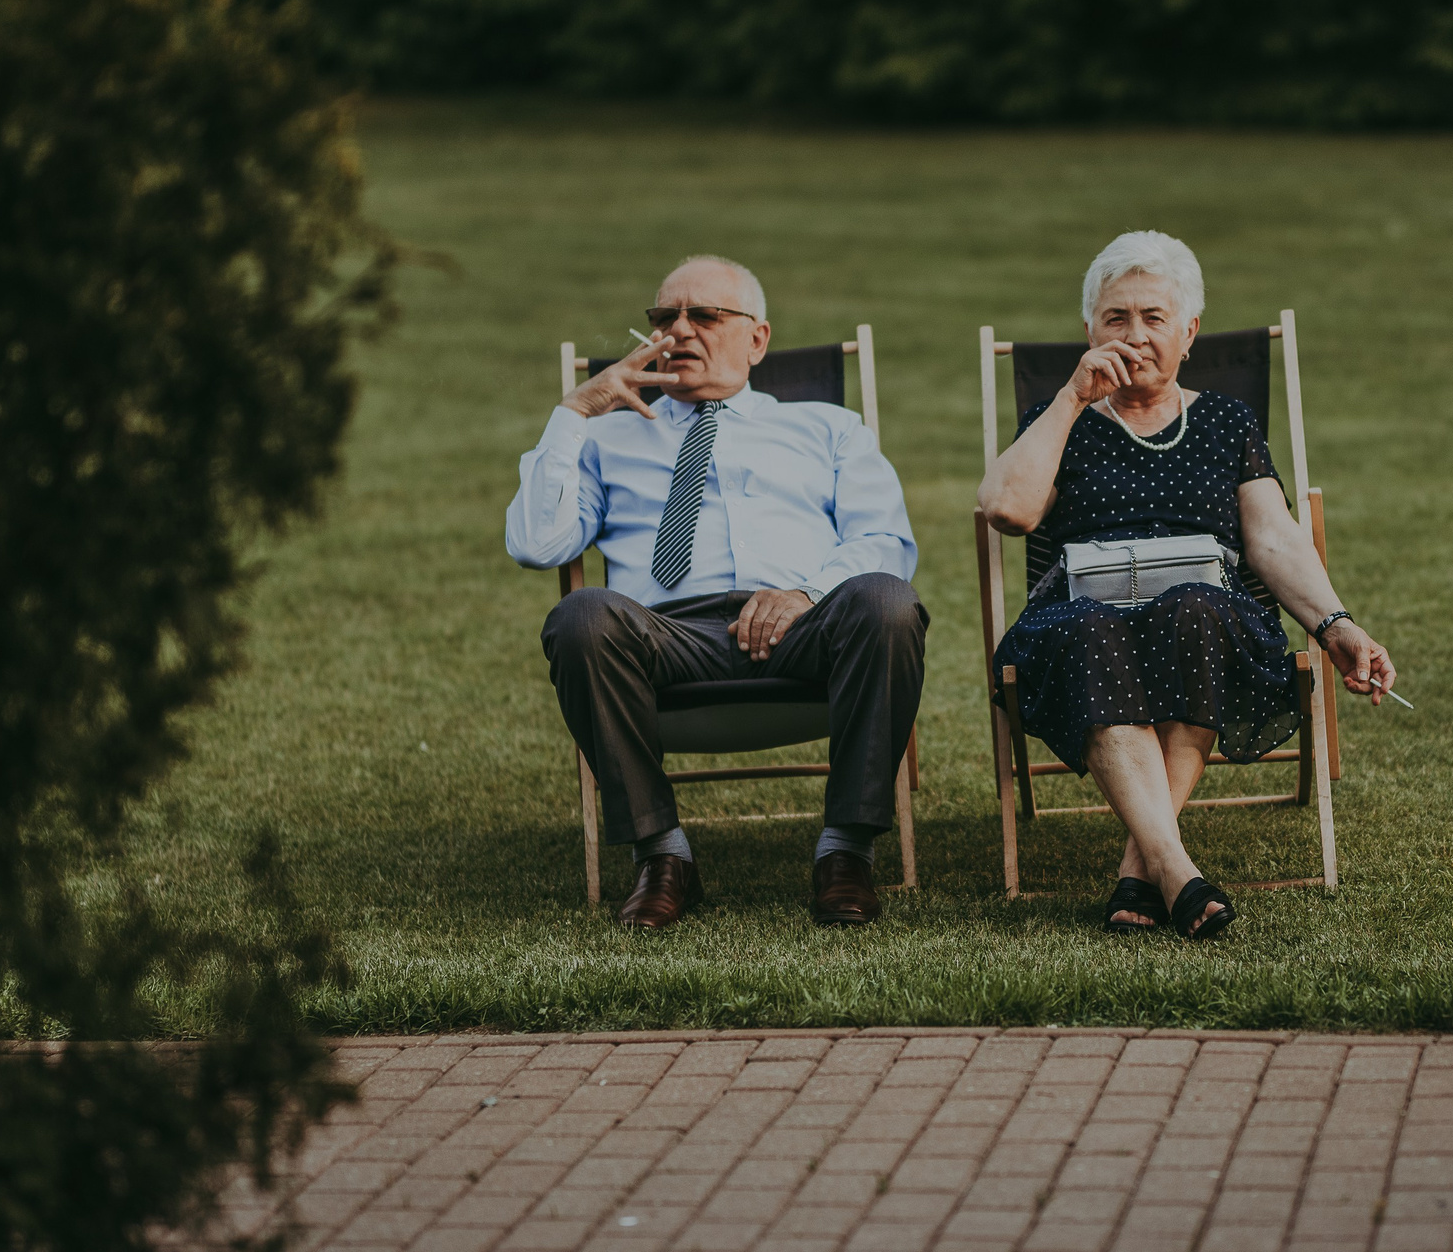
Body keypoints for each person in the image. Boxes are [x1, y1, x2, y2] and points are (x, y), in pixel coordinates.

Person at [977, 231, 1395, 936]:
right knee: (1091, 628)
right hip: (1085, 625)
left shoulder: (1227, 421)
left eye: (1154, 317)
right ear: (1089, 329)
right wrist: (1074, 396)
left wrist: (1337, 625)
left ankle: (1143, 873)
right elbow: (1006, 509)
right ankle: (1175, 872)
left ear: (1190, 332)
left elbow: (1270, 536)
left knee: (1194, 610)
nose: (1134, 334)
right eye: (1115, 318)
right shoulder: (1060, 420)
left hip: (1205, 625)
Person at [506, 255, 926, 928]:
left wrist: (806, 592)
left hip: (804, 626)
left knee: (886, 602)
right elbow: (535, 544)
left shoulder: (826, 427)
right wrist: (575, 413)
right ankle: (663, 856)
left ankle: (846, 851)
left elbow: (886, 541)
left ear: (757, 339)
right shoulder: (607, 437)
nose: (677, 331)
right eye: (662, 318)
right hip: (666, 635)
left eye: (703, 315)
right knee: (580, 615)